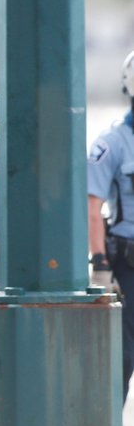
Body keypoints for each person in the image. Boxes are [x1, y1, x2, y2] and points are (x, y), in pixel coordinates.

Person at [88, 49, 134, 404]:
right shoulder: (113, 142)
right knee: (123, 357)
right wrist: (101, 264)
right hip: (128, 265)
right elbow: (93, 206)